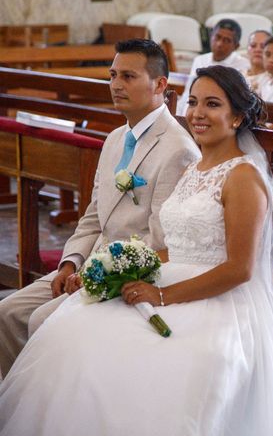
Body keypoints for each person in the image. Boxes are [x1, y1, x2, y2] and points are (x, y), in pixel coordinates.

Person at [0, 66, 273, 436]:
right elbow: (179, 249)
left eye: (212, 104)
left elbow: (240, 269)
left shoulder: (243, 178)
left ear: (236, 117)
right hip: (172, 279)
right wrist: (113, 268)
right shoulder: (196, 169)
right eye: (192, 102)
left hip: (219, 302)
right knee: (72, 334)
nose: (197, 113)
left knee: (124, 357)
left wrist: (161, 295)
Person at [0, 38, 200, 379]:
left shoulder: (177, 149)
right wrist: (69, 263)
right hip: (87, 263)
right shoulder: (115, 139)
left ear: (160, 85)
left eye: (128, 76)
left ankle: (57, 407)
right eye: (112, 75)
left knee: (41, 321)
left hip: (125, 275)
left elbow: (160, 241)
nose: (116, 85)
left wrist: (97, 275)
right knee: (7, 311)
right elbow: (93, 215)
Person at [176, 18, 250, 115]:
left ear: (236, 46)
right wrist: (178, 115)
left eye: (227, 40)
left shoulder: (243, 65)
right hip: (189, 113)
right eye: (217, 37)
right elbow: (188, 92)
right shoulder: (200, 60)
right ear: (211, 37)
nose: (219, 44)